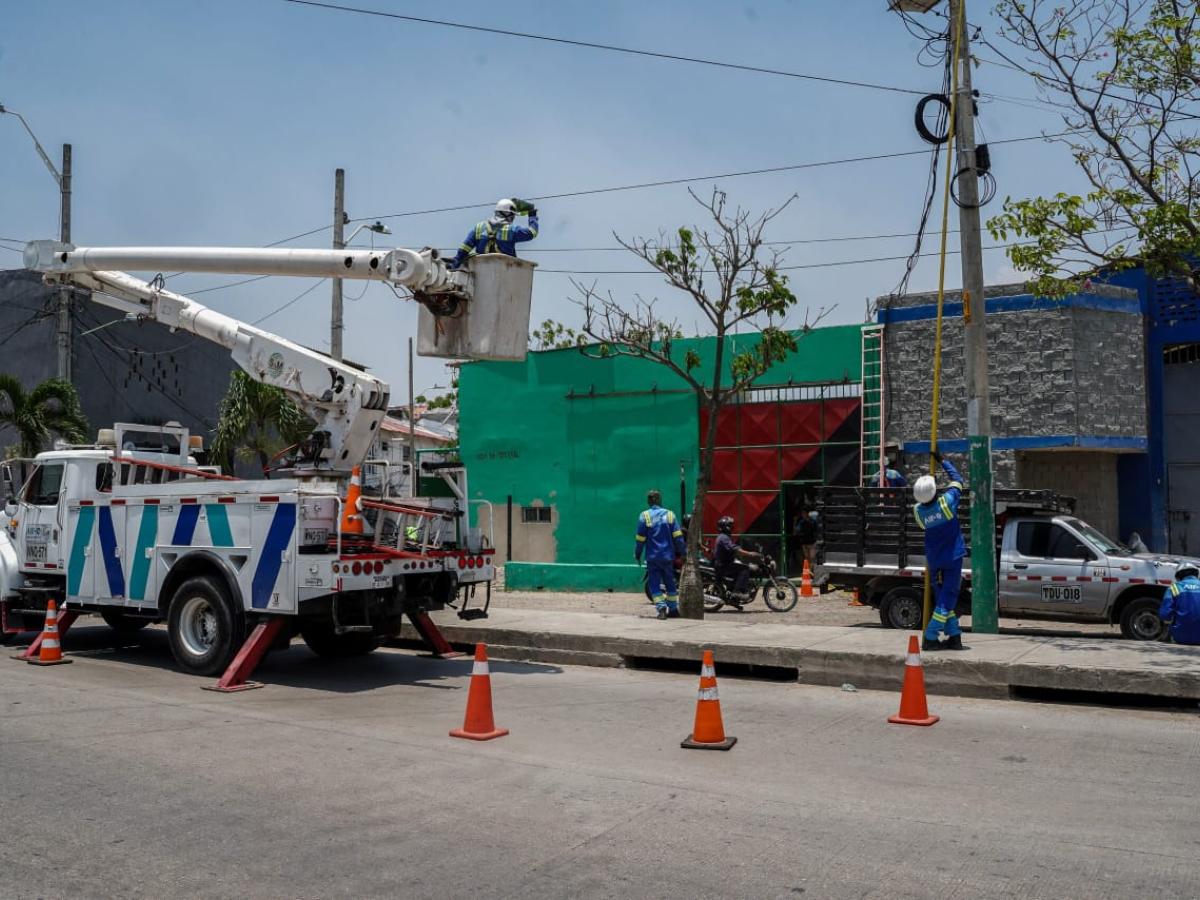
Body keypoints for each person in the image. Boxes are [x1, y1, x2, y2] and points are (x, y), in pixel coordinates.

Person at [913, 450, 968, 651]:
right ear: (936, 491)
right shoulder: (947, 503)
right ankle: (930, 636)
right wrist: (943, 461)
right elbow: (958, 481)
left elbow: (926, 508)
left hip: (934, 560)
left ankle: (954, 636)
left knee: (943, 597)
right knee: (948, 598)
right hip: (953, 557)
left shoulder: (918, 512)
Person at [635, 490, 685, 619]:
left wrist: (637, 554)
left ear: (648, 501)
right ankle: (673, 609)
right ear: (660, 500)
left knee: (654, 584)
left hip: (653, 558)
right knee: (670, 583)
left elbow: (640, 539)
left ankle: (661, 608)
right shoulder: (670, 515)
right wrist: (683, 552)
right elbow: (678, 537)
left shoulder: (644, 516)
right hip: (668, 556)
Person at [451, 198, 539, 270]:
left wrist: (455, 263)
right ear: (508, 214)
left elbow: (464, 248)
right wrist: (532, 215)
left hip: (480, 273)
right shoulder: (511, 230)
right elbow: (532, 232)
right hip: (505, 273)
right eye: (513, 215)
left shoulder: (479, 227)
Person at [712, 515, 762, 603]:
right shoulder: (723, 537)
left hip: (725, 563)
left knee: (741, 566)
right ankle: (737, 592)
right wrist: (750, 554)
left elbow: (732, 549)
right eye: (730, 525)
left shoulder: (724, 537)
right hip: (723, 565)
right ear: (726, 527)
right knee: (745, 569)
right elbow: (734, 549)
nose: (732, 527)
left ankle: (734, 592)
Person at [1159, 564, 1200, 645]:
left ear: (1179, 576)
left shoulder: (1174, 588)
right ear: (1196, 574)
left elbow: (1164, 614)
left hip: (1180, 637)